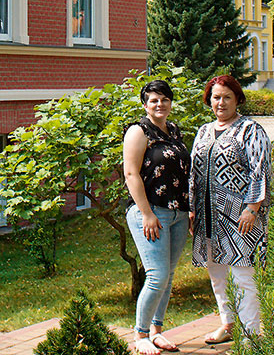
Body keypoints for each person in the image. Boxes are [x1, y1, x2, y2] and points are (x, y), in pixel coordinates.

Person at [189, 75, 270, 344]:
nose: (220, 102)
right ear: (209, 100)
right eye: (215, 97)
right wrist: (192, 209)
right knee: (217, 274)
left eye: (226, 97)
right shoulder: (203, 131)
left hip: (241, 218)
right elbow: (193, 173)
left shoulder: (250, 130)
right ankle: (228, 324)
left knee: (243, 275)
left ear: (238, 99)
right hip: (207, 218)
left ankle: (251, 332)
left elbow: (261, 170)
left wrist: (252, 208)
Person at [124, 80, 191, 355]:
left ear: (170, 102)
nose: (159, 104)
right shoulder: (138, 132)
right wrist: (147, 214)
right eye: (153, 100)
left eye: (164, 99)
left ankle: (157, 331)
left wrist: (190, 209)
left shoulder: (174, 130)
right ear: (144, 104)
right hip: (150, 212)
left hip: (178, 213)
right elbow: (131, 174)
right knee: (157, 276)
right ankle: (140, 335)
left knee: (169, 275)